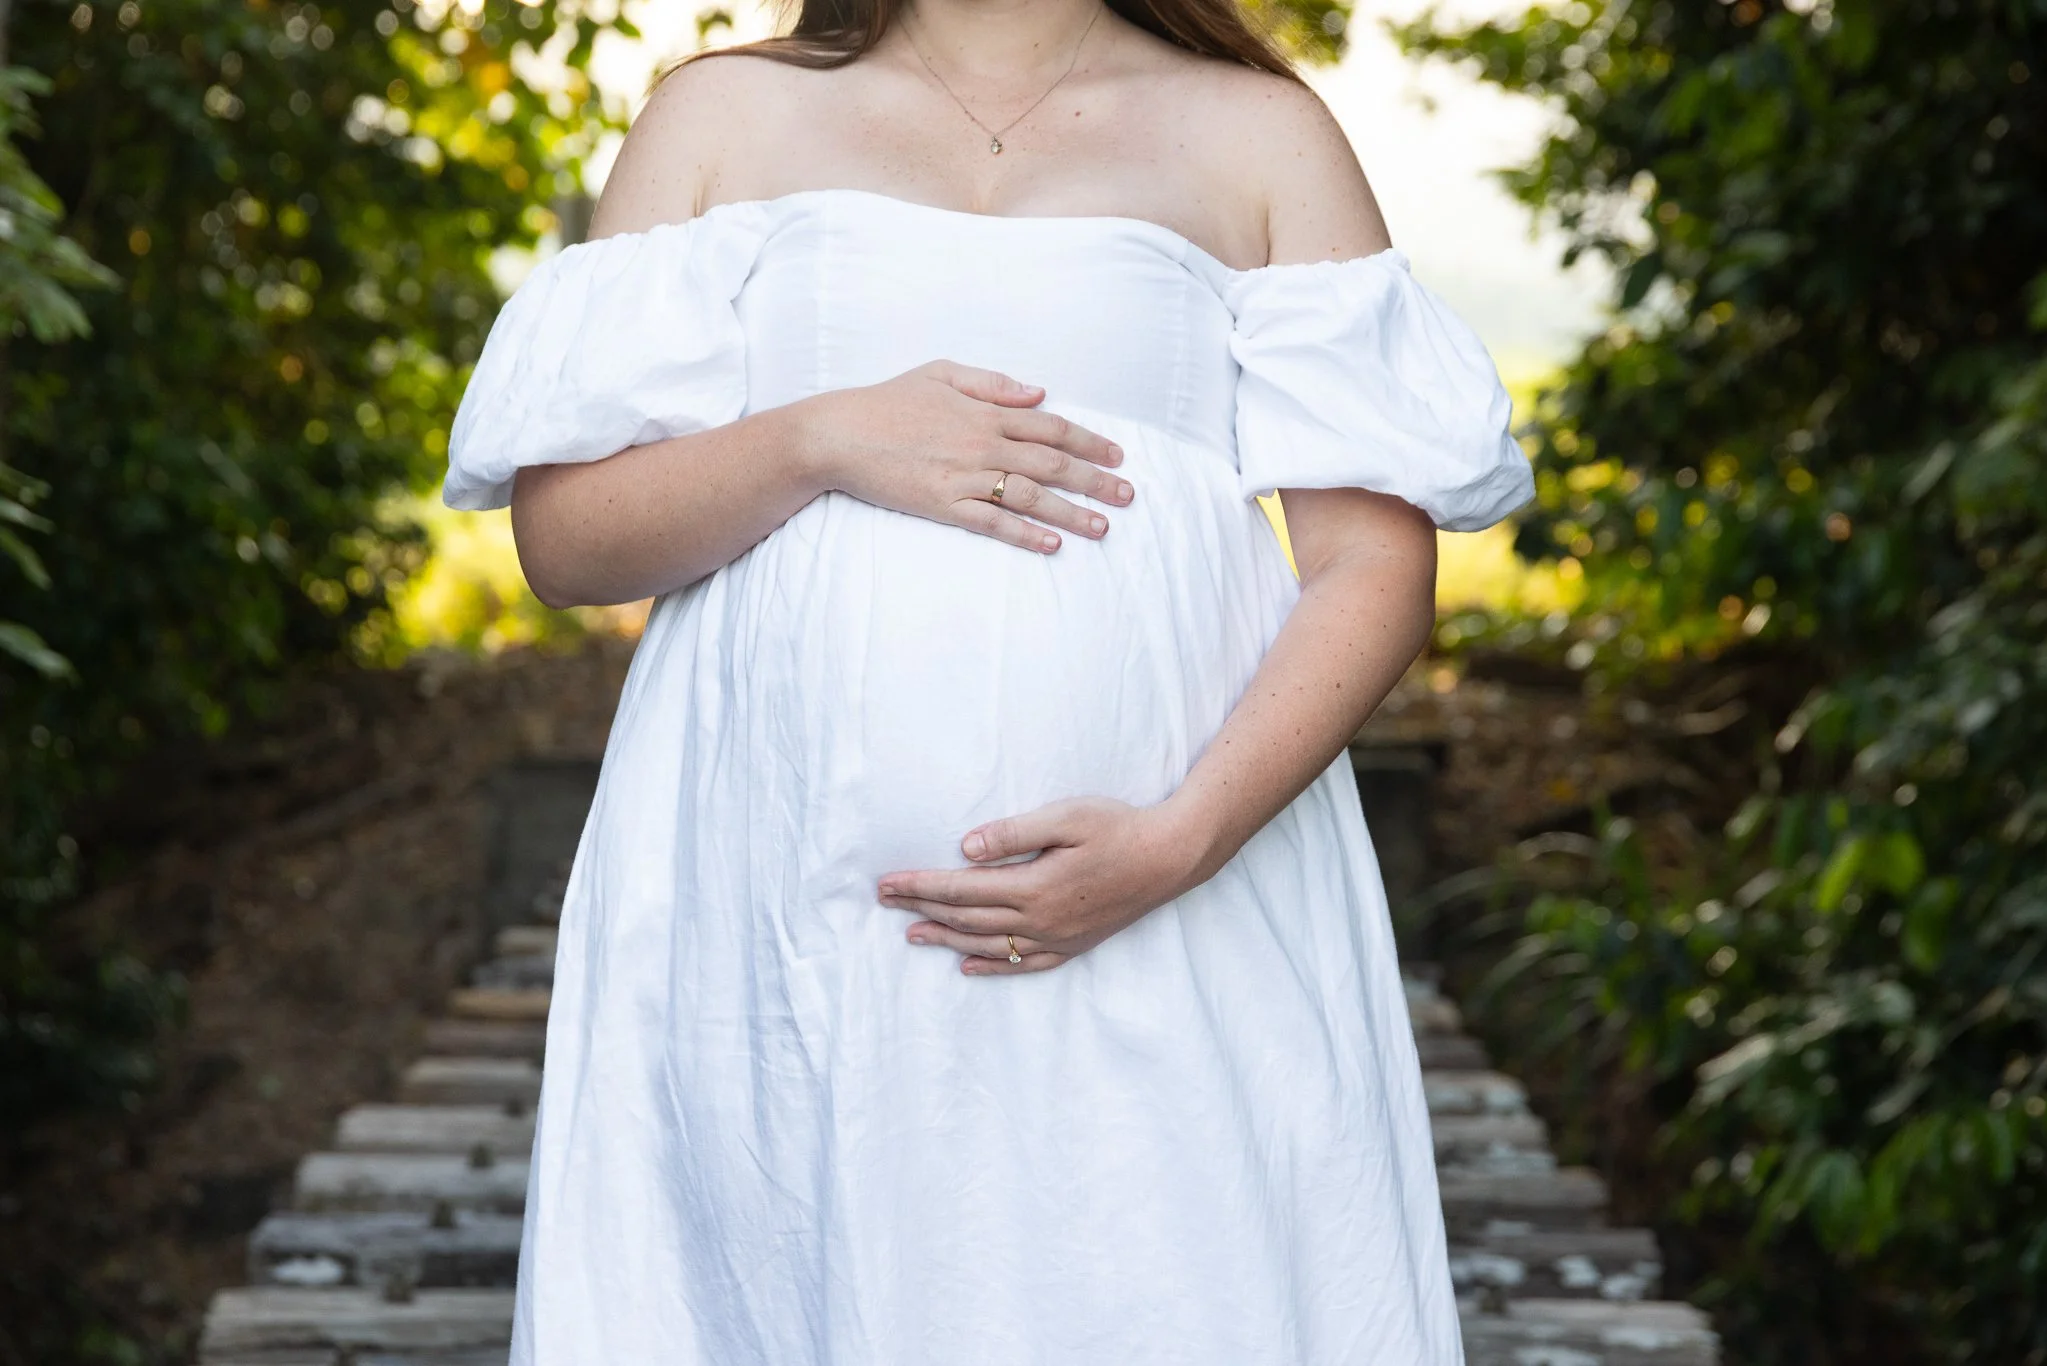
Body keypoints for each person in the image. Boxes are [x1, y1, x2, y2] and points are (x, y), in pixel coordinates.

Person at [443, 0, 1534, 1357]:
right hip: (781, 913)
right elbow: (569, 539)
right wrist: (823, 437)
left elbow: (1371, 568)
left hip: (1174, 890)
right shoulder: (722, 116)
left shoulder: (1262, 135)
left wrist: (1180, 838)